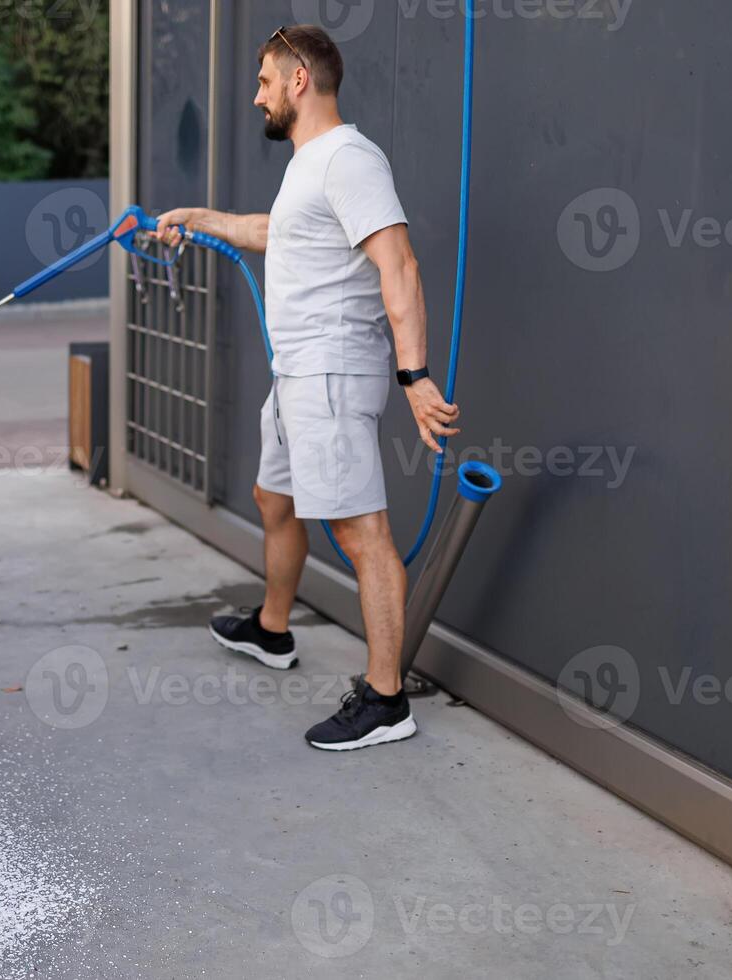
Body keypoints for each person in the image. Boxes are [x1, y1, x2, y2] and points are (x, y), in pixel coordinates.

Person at [156, 24, 460, 751]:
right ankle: (272, 627)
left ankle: (386, 699)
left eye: (263, 80)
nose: (256, 94)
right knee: (275, 498)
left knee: (361, 533)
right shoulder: (310, 165)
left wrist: (414, 375)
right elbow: (278, 233)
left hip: (331, 376)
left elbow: (401, 265)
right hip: (296, 375)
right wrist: (199, 220)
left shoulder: (350, 159)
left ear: (298, 80)